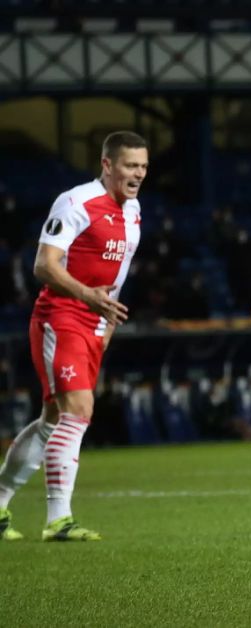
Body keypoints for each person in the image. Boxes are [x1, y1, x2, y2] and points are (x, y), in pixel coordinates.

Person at [0, 131, 148, 541]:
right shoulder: (75, 202)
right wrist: (87, 296)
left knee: (52, 420)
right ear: (107, 164)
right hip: (60, 315)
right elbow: (44, 265)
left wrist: (109, 323)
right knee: (79, 410)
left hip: (94, 321)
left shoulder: (134, 210)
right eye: (130, 165)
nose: (138, 174)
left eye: (143, 167)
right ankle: (58, 520)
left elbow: (117, 278)